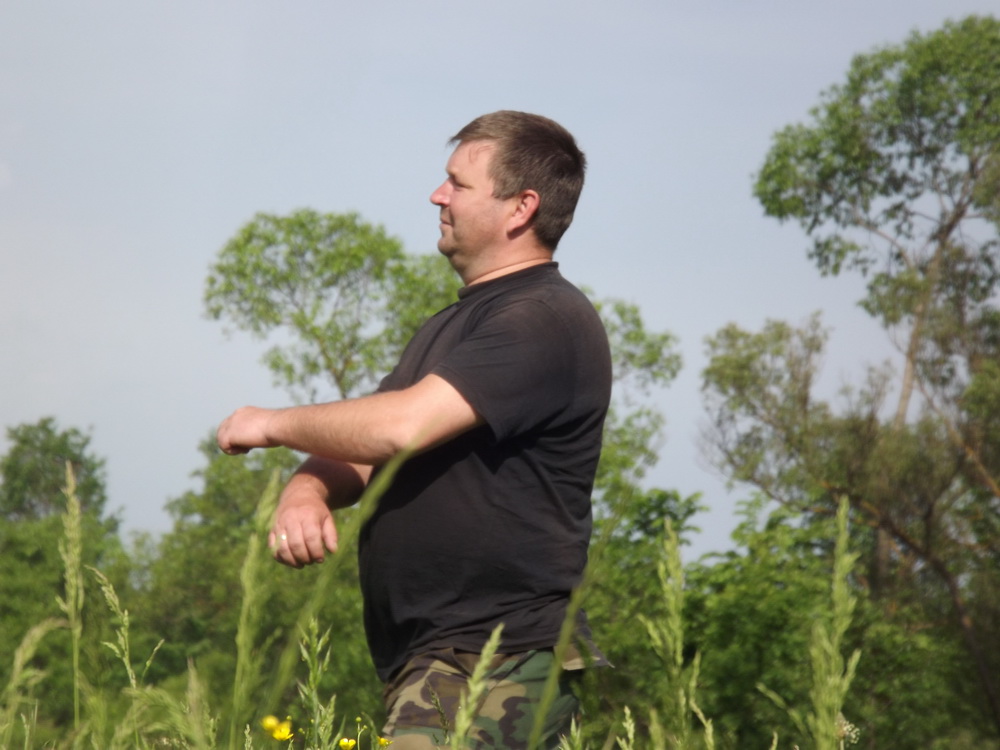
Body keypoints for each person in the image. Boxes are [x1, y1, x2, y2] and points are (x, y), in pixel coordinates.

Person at [216, 110, 612, 748]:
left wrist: (270, 424)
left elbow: (402, 427)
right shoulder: (455, 326)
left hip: (499, 656)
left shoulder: (543, 318)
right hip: (440, 660)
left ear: (521, 208)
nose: (437, 195)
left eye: (458, 183)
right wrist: (305, 492)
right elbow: (367, 446)